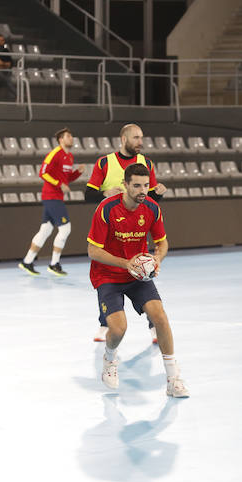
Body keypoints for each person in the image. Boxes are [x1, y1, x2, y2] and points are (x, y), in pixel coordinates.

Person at [87, 163, 188, 397]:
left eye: (146, 185)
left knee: (160, 316)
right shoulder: (106, 209)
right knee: (118, 328)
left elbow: (162, 242)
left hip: (138, 275)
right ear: (125, 185)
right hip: (108, 275)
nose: (143, 190)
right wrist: (126, 263)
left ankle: (173, 379)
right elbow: (93, 251)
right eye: (137, 186)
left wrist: (157, 259)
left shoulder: (152, 208)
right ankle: (110, 359)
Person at [86, 123, 167, 343]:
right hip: (110, 218)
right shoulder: (105, 162)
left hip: (135, 223)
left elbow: (148, 198)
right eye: (136, 138)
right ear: (124, 139)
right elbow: (87, 195)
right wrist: (104, 193)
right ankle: (105, 323)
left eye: (142, 137)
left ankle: (153, 326)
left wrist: (158, 193)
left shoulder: (146, 163)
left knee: (143, 271)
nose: (141, 142)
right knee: (108, 271)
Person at [19, 127, 85, 276]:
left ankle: (27, 261)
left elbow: (66, 180)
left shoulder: (70, 157)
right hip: (51, 196)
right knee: (65, 228)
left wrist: (77, 173)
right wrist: (58, 184)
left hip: (56, 196)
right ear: (61, 139)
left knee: (45, 230)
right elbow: (42, 172)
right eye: (68, 136)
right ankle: (54, 263)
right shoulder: (55, 154)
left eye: (71, 135)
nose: (71, 138)